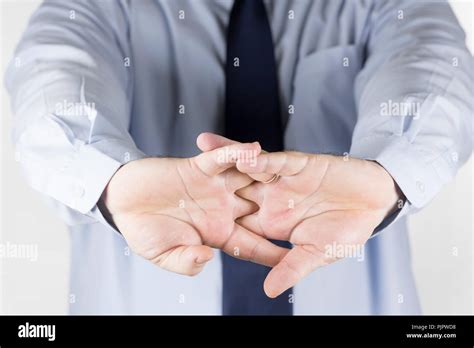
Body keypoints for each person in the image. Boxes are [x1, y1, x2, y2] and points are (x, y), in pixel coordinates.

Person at [5, 0, 473, 315]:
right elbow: (52, 86)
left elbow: (432, 73)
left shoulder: (387, 4)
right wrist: (111, 183)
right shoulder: (96, 7)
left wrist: (388, 176)